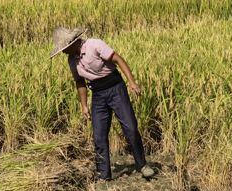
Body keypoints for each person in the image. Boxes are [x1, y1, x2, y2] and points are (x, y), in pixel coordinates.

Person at [50, 27, 155, 180]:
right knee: (99, 136)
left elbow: (118, 60)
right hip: (98, 95)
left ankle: (142, 165)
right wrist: (84, 105)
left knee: (130, 128)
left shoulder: (94, 45)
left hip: (116, 89)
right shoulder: (72, 60)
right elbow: (80, 82)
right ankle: (103, 174)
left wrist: (132, 82)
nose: (63, 52)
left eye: (64, 49)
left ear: (72, 43)